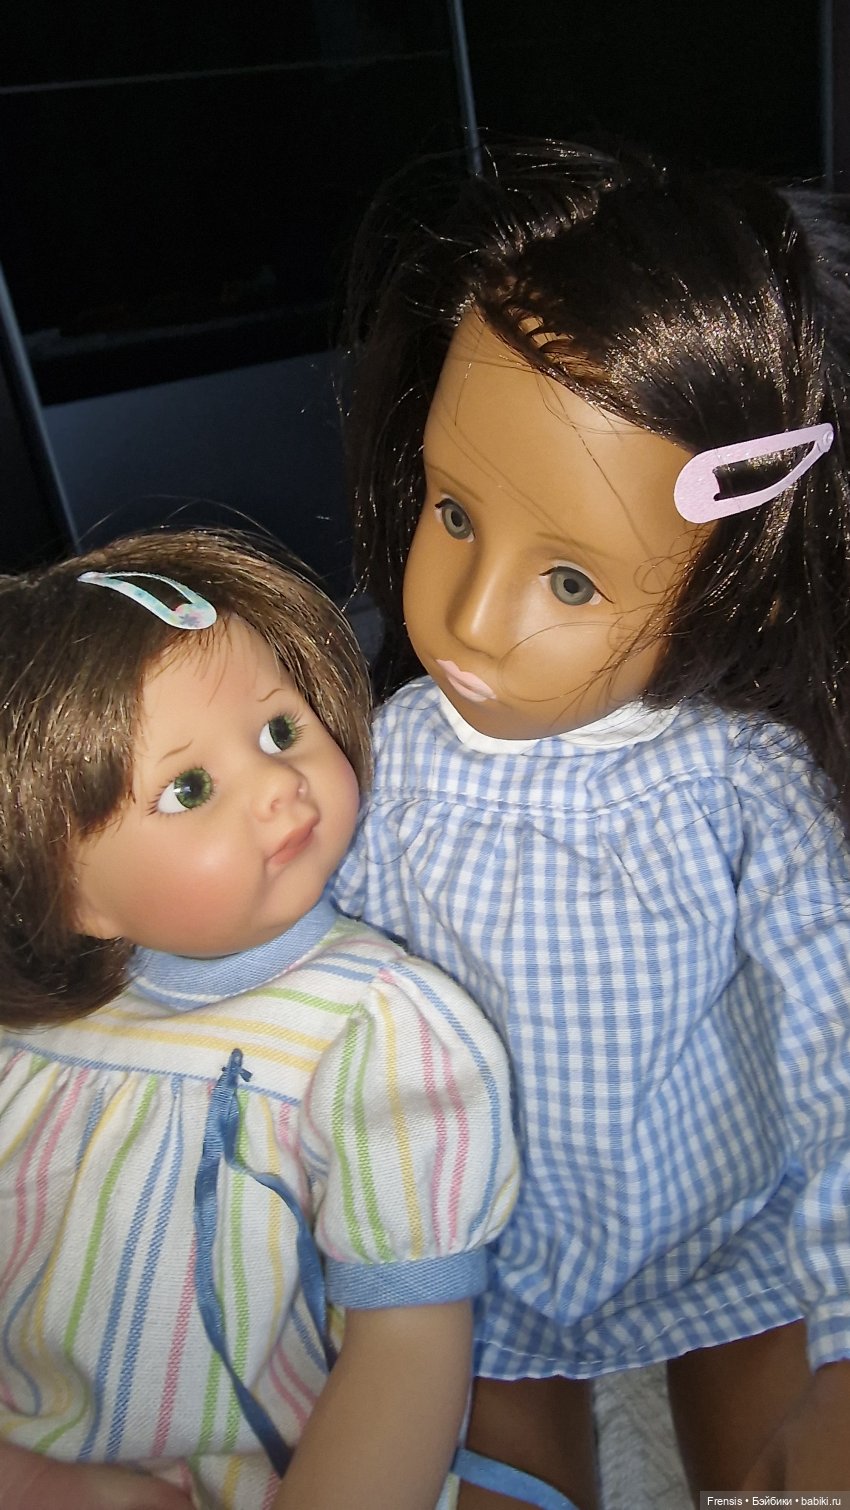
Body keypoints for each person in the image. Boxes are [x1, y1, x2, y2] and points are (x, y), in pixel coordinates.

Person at [331, 139, 850, 1505]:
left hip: (724, 1230)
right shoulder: (380, 763)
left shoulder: (743, 790)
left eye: (571, 579)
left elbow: (836, 1039)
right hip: (484, 1250)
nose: (469, 617)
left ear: (741, 577)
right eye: (451, 510)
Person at [0, 530, 519, 1510]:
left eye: (281, 729)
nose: (279, 783)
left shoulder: (375, 1027)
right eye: (190, 788)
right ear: (65, 889)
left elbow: (408, 1344)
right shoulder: (29, 1036)